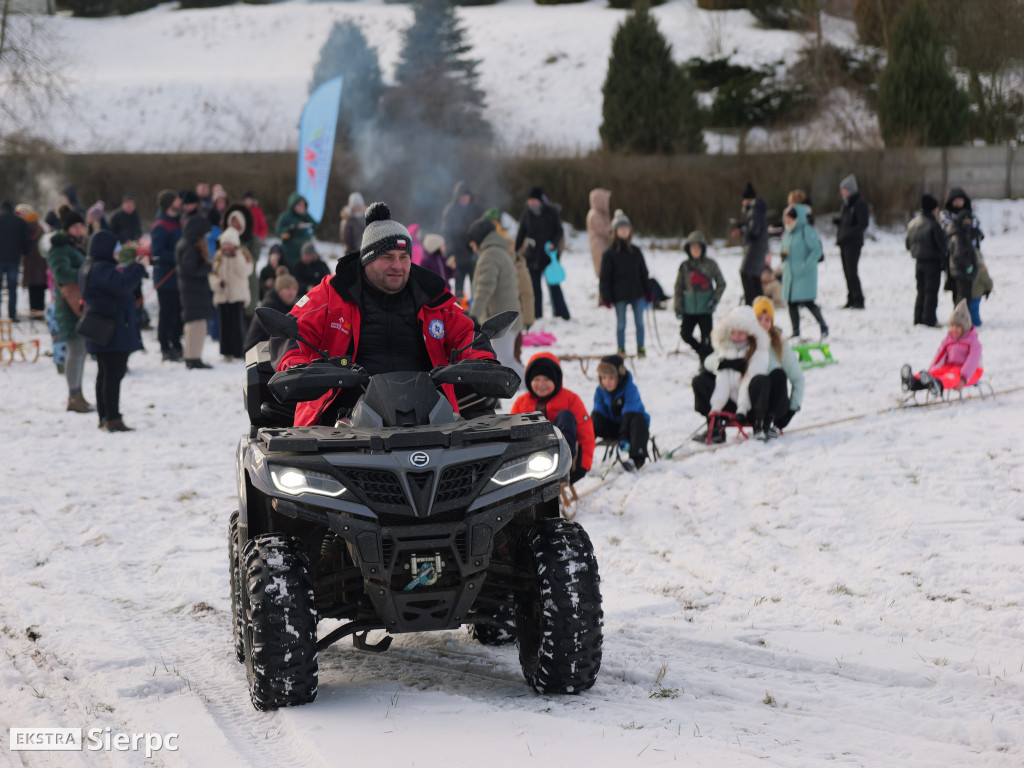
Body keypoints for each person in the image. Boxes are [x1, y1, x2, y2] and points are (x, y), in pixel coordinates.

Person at [276, 202, 496, 427]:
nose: (398, 266)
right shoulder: (333, 292)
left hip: (429, 417)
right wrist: (296, 365)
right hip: (343, 420)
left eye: (404, 256)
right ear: (367, 259)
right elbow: (292, 330)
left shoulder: (432, 296)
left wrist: (483, 362)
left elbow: (466, 334)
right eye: (387, 257)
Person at [79, 231, 149, 432]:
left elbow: (116, 283)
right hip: (111, 330)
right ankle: (112, 418)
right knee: (112, 375)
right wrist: (138, 268)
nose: (117, 252)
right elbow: (123, 286)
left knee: (105, 374)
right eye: (115, 248)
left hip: (103, 328)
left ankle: (105, 416)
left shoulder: (93, 266)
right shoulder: (101, 268)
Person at [690, 305, 772, 442]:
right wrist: (715, 408)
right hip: (730, 401)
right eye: (733, 333)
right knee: (700, 380)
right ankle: (714, 426)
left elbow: (749, 380)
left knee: (760, 380)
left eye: (740, 334)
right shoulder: (727, 347)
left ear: (749, 332)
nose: (736, 337)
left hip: (749, 405)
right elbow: (722, 380)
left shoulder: (759, 350)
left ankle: (759, 426)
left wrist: (742, 409)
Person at [511, 352, 594, 484]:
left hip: (560, 458)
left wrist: (583, 466)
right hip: (529, 460)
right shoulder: (522, 403)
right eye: (536, 380)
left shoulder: (570, 399)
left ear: (556, 380)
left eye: (546, 380)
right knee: (524, 422)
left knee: (565, 416)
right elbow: (510, 433)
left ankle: (562, 467)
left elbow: (586, 433)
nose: (541, 384)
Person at [467, 217, 524, 381]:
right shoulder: (499, 251)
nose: (471, 246)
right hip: (506, 316)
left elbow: (484, 289)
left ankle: (536, 383)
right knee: (504, 360)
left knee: (505, 362)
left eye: (472, 242)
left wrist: (474, 316)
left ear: (478, 238)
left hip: (502, 319)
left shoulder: (490, 255)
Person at [46, 210, 92, 412]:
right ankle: (74, 396)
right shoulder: (59, 248)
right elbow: (62, 273)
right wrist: (87, 272)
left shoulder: (77, 245)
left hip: (78, 302)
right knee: (75, 350)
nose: (79, 229)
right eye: (75, 227)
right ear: (66, 229)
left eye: (81, 226)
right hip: (68, 305)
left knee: (81, 350)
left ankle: (78, 394)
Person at [900, 299, 982, 398]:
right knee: (938, 373)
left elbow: (972, 361)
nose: (953, 329)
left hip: (972, 372)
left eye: (957, 327)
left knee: (951, 377)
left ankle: (938, 385)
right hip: (950, 367)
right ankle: (913, 382)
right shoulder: (948, 339)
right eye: (952, 326)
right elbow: (939, 356)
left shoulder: (973, 342)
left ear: (965, 327)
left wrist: (963, 378)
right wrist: (930, 372)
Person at [515, 186, 570, 321]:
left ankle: (562, 314)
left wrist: (554, 244)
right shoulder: (526, 214)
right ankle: (536, 315)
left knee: (554, 286)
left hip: (549, 256)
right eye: (530, 200)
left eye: (535, 200)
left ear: (540, 201)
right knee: (534, 288)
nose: (532, 203)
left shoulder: (551, 212)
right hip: (532, 256)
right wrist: (516, 250)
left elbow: (559, 231)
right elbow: (521, 234)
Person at [599, 209, 648, 356]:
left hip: (637, 293)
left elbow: (644, 272)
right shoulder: (609, 254)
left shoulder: (636, 251)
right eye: (621, 228)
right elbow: (605, 277)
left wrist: (649, 290)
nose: (624, 231)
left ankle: (641, 348)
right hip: (619, 294)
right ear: (615, 231)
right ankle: (621, 349)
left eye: (627, 228)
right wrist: (606, 296)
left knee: (639, 322)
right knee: (621, 324)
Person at [752, 296, 804, 436]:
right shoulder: (744, 339)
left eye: (767, 319)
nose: (763, 323)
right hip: (752, 403)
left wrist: (792, 410)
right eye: (759, 318)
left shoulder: (780, 345)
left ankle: (769, 420)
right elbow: (718, 357)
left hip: (774, 404)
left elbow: (798, 379)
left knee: (778, 374)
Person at [591, 354, 650, 470]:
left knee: (638, 420)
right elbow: (598, 413)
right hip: (614, 427)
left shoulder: (630, 389)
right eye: (603, 378)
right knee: (593, 420)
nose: (607, 382)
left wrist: (624, 437)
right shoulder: (600, 391)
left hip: (632, 427)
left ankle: (636, 459)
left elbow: (629, 413)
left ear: (619, 376)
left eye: (611, 378)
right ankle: (581, 456)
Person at [674, 230, 725, 360]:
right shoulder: (684, 266)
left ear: (703, 248)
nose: (695, 250)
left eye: (698, 247)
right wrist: (678, 307)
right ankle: (703, 353)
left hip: (705, 310)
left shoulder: (711, 265)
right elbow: (678, 288)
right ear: (688, 249)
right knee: (685, 334)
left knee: (707, 339)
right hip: (689, 310)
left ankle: (705, 365)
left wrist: (714, 301)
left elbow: (721, 284)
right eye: (692, 247)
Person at [780, 204, 828, 339]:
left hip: (804, 275)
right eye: (786, 218)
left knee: (808, 302)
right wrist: (782, 256)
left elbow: (817, 250)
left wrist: (806, 265)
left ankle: (823, 325)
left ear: (796, 218)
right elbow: (783, 248)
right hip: (791, 274)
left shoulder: (806, 230)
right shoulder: (788, 232)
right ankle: (796, 331)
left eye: (789, 218)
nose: (787, 221)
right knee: (791, 303)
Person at [176, 215, 214, 369]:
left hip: (192, 290)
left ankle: (192, 356)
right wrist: (208, 268)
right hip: (193, 290)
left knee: (197, 324)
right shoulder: (190, 247)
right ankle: (193, 358)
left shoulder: (186, 244)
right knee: (195, 325)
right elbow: (190, 269)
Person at [209, 227, 252, 360]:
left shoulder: (242, 255)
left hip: (237, 295)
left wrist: (235, 257)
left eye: (229, 243)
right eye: (224, 243)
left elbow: (246, 272)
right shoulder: (218, 256)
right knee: (224, 326)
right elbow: (213, 273)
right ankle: (226, 351)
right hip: (223, 295)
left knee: (237, 325)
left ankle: (239, 351)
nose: (226, 246)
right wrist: (217, 283)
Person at [151, 189, 183, 362]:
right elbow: (156, 252)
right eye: (177, 200)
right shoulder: (160, 225)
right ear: (170, 203)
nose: (180, 202)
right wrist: (178, 256)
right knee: (167, 314)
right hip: (165, 278)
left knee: (178, 314)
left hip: (179, 278)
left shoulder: (179, 223)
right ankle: (165, 346)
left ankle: (176, 343)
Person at [905, 194, 946, 327]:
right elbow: (942, 245)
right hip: (933, 263)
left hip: (918, 262)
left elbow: (907, 244)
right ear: (933, 209)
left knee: (921, 291)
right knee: (931, 292)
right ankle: (929, 319)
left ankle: (918, 318)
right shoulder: (934, 225)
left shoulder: (913, 224)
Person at [941, 186, 983, 308]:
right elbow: (947, 233)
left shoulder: (972, 216)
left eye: (961, 200)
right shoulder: (947, 216)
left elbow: (978, 233)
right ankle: (960, 317)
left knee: (970, 289)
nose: (958, 203)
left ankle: (968, 316)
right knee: (958, 289)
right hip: (954, 258)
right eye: (955, 200)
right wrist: (965, 231)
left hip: (971, 256)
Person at [441, 181, 483, 299]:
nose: (464, 199)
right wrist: (450, 253)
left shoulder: (477, 209)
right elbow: (446, 233)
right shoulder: (450, 211)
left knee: (476, 284)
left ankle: (475, 310)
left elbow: (482, 229)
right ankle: (459, 309)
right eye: (462, 196)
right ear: (457, 197)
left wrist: (479, 246)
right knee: (458, 286)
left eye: (466, 196)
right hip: (457, 254)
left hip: (474, 254)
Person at [835, 173, 869, 309]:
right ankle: (851, 298)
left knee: (852, 271)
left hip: (853, 243)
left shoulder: (860, 203)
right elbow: (846, 219)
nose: (842, 193)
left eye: (844, 190)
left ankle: (859, 299)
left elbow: (862, 224)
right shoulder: (846, 204)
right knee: (846, 272)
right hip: (844, 243)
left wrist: (848, 233)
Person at [244, 268, 298, 352]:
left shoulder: (289, 305)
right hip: (256, 351)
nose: (292, 293)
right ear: (279, 290)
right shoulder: (269, 305)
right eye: (287, 288)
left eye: (294, 288)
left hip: (269, 348)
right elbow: (278, 335)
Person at [735, 182, 768, 305]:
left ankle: (751, 303)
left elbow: (754, 231)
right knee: (754, 277)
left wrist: (742, 230)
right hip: (759, 249)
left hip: (754, 249)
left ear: (747, 199)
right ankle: (759, 303)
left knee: (745, 273)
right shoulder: (758, 210)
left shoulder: (754, 211)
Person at [0, 199, 30, 321]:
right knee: (12, 289)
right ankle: (12, 315)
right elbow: (27, 240)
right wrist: (24, 252)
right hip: (13, 259)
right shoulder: (20, 222)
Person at [275, 192, 315, 268]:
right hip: (290, 253)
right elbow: (279, 231)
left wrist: (306, 215)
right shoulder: (285, 216)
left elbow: (314, 225)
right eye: (299, 205)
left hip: (305, 253)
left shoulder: (305, 216)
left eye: (303, 205)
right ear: (293, 205)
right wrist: (290, 229)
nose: (301, 207)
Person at [586, 187, 612, 279]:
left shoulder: (600, 214)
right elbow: (604, 230)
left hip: (603, 245)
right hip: (599, 246)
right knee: (603, 270)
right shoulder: (595, 215)